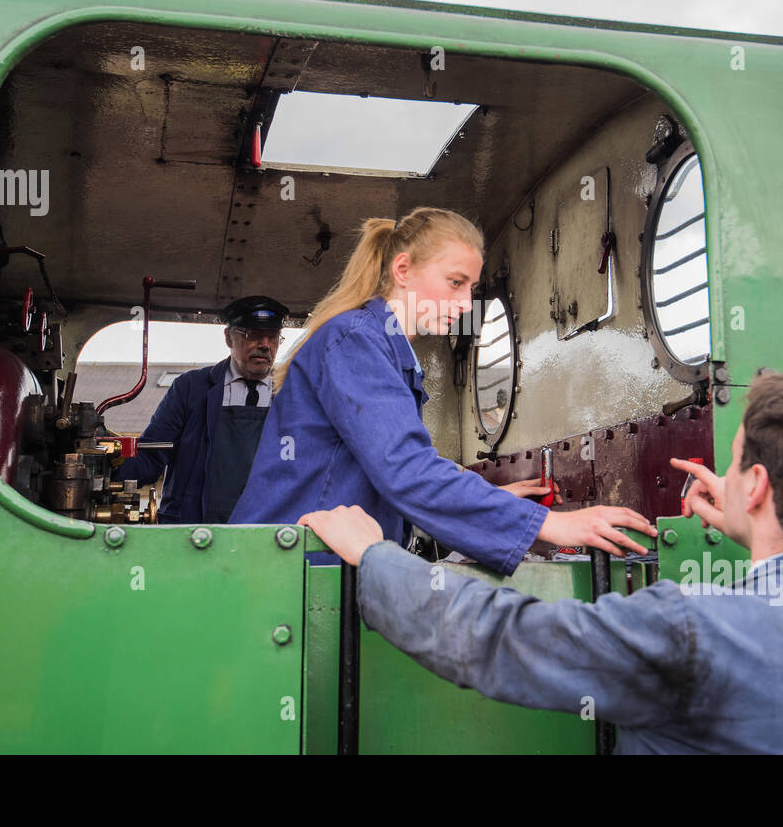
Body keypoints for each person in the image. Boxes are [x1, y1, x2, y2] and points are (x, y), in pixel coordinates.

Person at [302, 371, 783, 754]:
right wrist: (750, 525)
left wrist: (375, 556)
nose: (724, 475)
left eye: (733, 465)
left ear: (757, 486)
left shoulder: (693, 629)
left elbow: (500, 640)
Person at [229, 207, 655, 574]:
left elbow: (387, 470)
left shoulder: (385, 350)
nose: (467, 304)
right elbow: (406, 473)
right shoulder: (356, 340)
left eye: (471, 288)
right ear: (402, 270)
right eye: (455, 282)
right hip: (285, 567)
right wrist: (550, 526)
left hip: (309, 567)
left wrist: (491, 498)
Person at [112, 295, 288, 524]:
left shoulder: (292, 393)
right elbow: (151, 456)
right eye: (252, 335)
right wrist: (107, 465)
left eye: (272, 337)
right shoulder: (190, 389)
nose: (265, 345)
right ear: (228, 337)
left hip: (266, 529)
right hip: (192, 530)